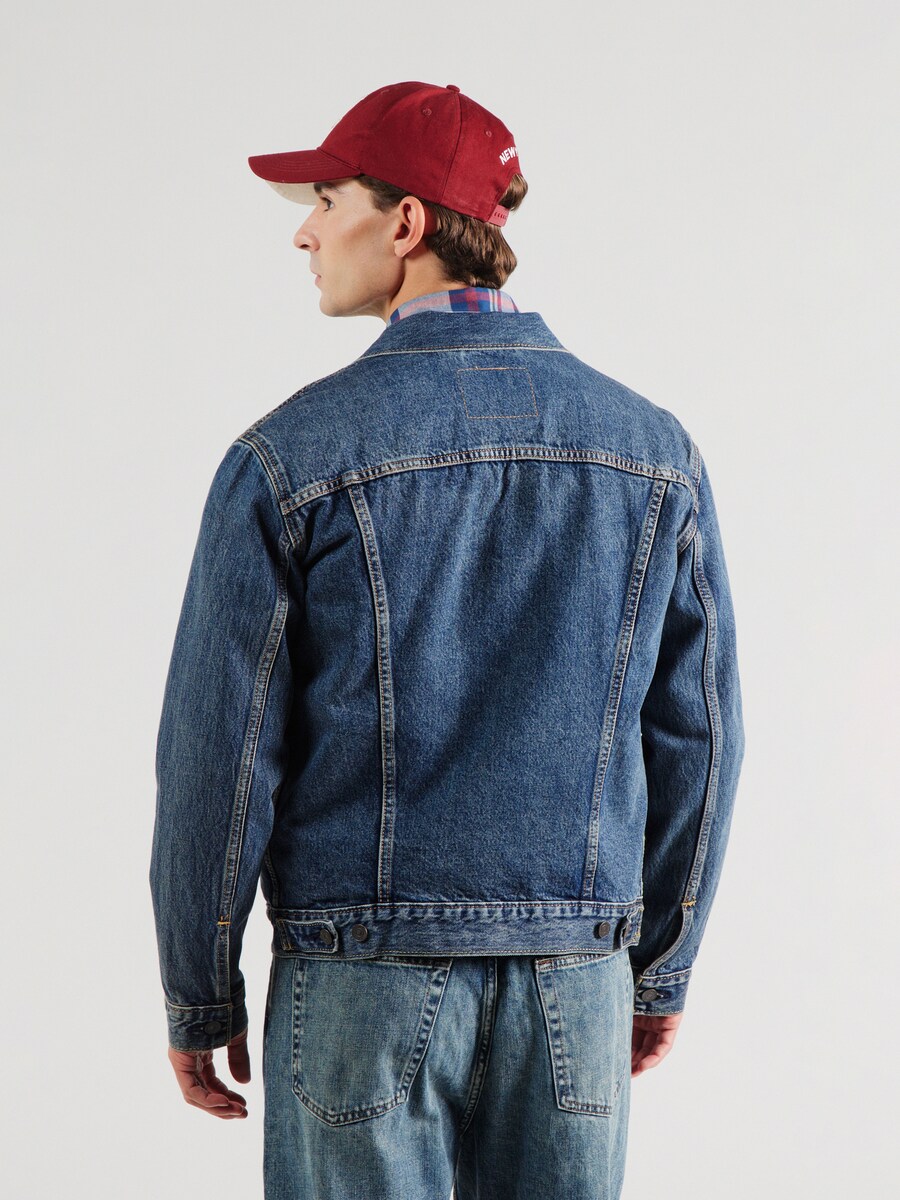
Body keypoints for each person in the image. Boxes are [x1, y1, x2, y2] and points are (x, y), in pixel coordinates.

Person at [149, 80, 745, 1200]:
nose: (305, 232)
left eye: (328, 200)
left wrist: (198, 988)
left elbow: (217, 758)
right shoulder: (654, 452)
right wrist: (657, 967)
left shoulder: (289, 457)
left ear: (408, 223)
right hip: (577, 979)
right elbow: (701, 740)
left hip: (358, 979)